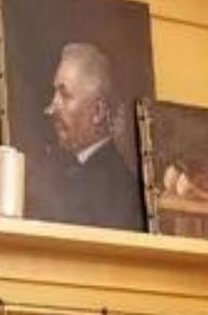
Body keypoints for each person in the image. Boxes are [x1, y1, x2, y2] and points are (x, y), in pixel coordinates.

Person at [42, 41, 140, 229]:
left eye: (65, 95)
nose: (51, 109)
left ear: (98, 112)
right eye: (55, 94)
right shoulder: (60, 167)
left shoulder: (117, 188)